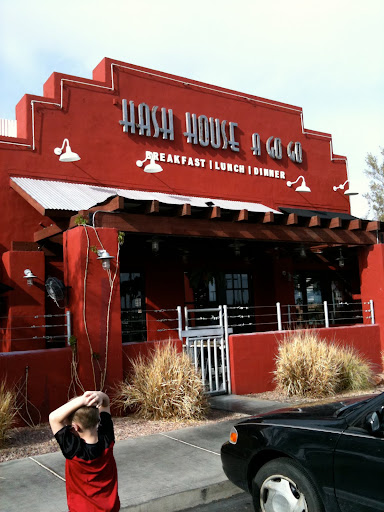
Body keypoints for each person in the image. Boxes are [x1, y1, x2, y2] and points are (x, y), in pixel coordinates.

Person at [49, 390, 120, 512]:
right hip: (110, 508)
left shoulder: (74, 450)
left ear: (75, 427)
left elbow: (54, 418)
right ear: (98, 419)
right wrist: (98, 395)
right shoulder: (107, 439)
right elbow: (106, 403)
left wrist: (82, 400)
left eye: (69, 427)